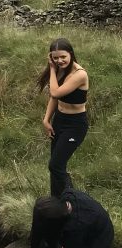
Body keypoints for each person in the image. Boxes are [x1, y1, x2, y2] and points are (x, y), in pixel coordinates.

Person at [37, 38, 89, 197]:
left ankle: (72, 201)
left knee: (56, 165)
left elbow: (55, 92)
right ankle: (56, 201)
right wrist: (46, 120)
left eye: (63, 57)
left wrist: (52, 69)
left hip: (75, 125)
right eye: (55, 57)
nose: (59, 60)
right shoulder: (61, 70)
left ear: (71, 54)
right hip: (59, 120)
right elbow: (55, 99)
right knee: (55, 165)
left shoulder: (80, 74)